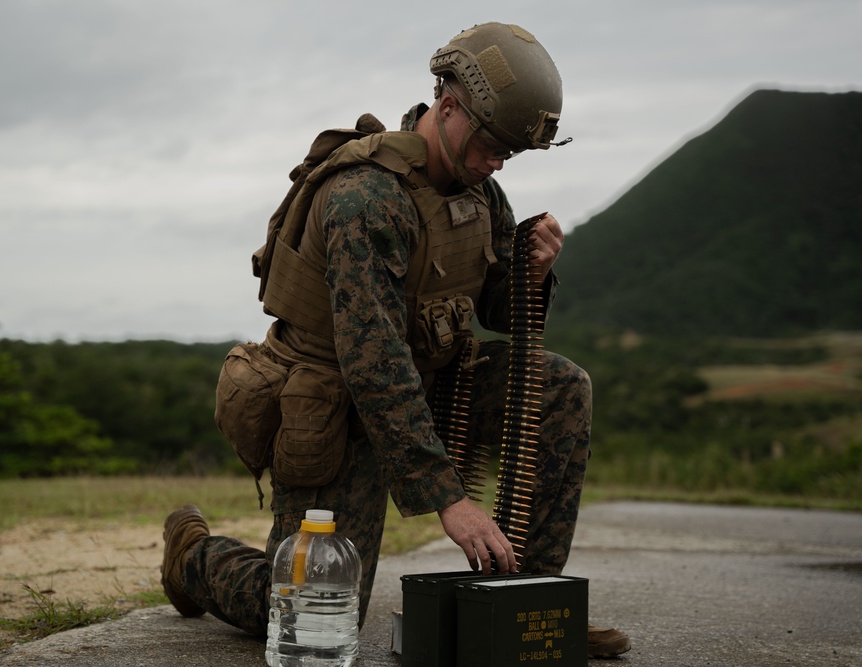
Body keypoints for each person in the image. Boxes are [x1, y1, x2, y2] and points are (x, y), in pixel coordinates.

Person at [162, 21, 630, 659]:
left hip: (432, 384)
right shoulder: (365, 197)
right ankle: (193, 557)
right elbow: (374, 363)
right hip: (338, 402)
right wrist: (450, 500)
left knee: (559, 386)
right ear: (448, 108)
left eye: (511, 155)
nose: (499, 163)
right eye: (494, 146)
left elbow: (492, 306)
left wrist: (533, 271)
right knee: (314, 611)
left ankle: (528, 605)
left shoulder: (477, 188)